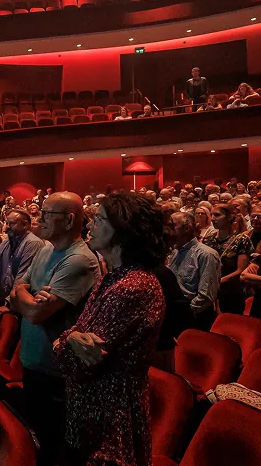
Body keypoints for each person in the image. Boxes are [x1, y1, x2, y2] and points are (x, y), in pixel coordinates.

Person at [55, 192, 167, 466]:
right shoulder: (113, 278)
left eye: (100, 219)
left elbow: (79, 364)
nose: (90, 225)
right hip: (90, 413)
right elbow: (73, 339)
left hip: (111, 421)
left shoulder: (132, 287)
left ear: (124, 231)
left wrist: (66, 342)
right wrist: (70, 339)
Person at [0, 192, 101, 463]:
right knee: (33, 442)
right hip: (34, 364)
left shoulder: (78, 259)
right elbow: (16, 290)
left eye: (47, 214)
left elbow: (35, 313)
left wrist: (25, 298)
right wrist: (25, 294)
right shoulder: (45, 248)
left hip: (59, 374)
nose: (39, 219)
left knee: (54, 451)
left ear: (69, 220)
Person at [165, 211, 222, 331]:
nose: (167, 230)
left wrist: (184, 313)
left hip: (193, 318)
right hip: (175, 313)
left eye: (172, 226)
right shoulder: (175, 252)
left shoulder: (206, 254)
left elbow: (206, 296)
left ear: (186, 228)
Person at [203, 203, 253, 314]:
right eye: (211, 215)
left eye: (217, 215)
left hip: (231, 291)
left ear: (230, 217)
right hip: (209, 290)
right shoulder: (209, 239)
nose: (212, 219)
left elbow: (241, 270)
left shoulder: (241, 239)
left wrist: (218, 282)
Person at [0, 209, 46, 305]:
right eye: (6, 223)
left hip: (19, 304)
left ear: (25, 225)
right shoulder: (5, 243)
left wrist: (9, 303)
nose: (6, 227)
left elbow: (22, 278)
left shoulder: (32, 243)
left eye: (11, 224)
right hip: (1, 301)